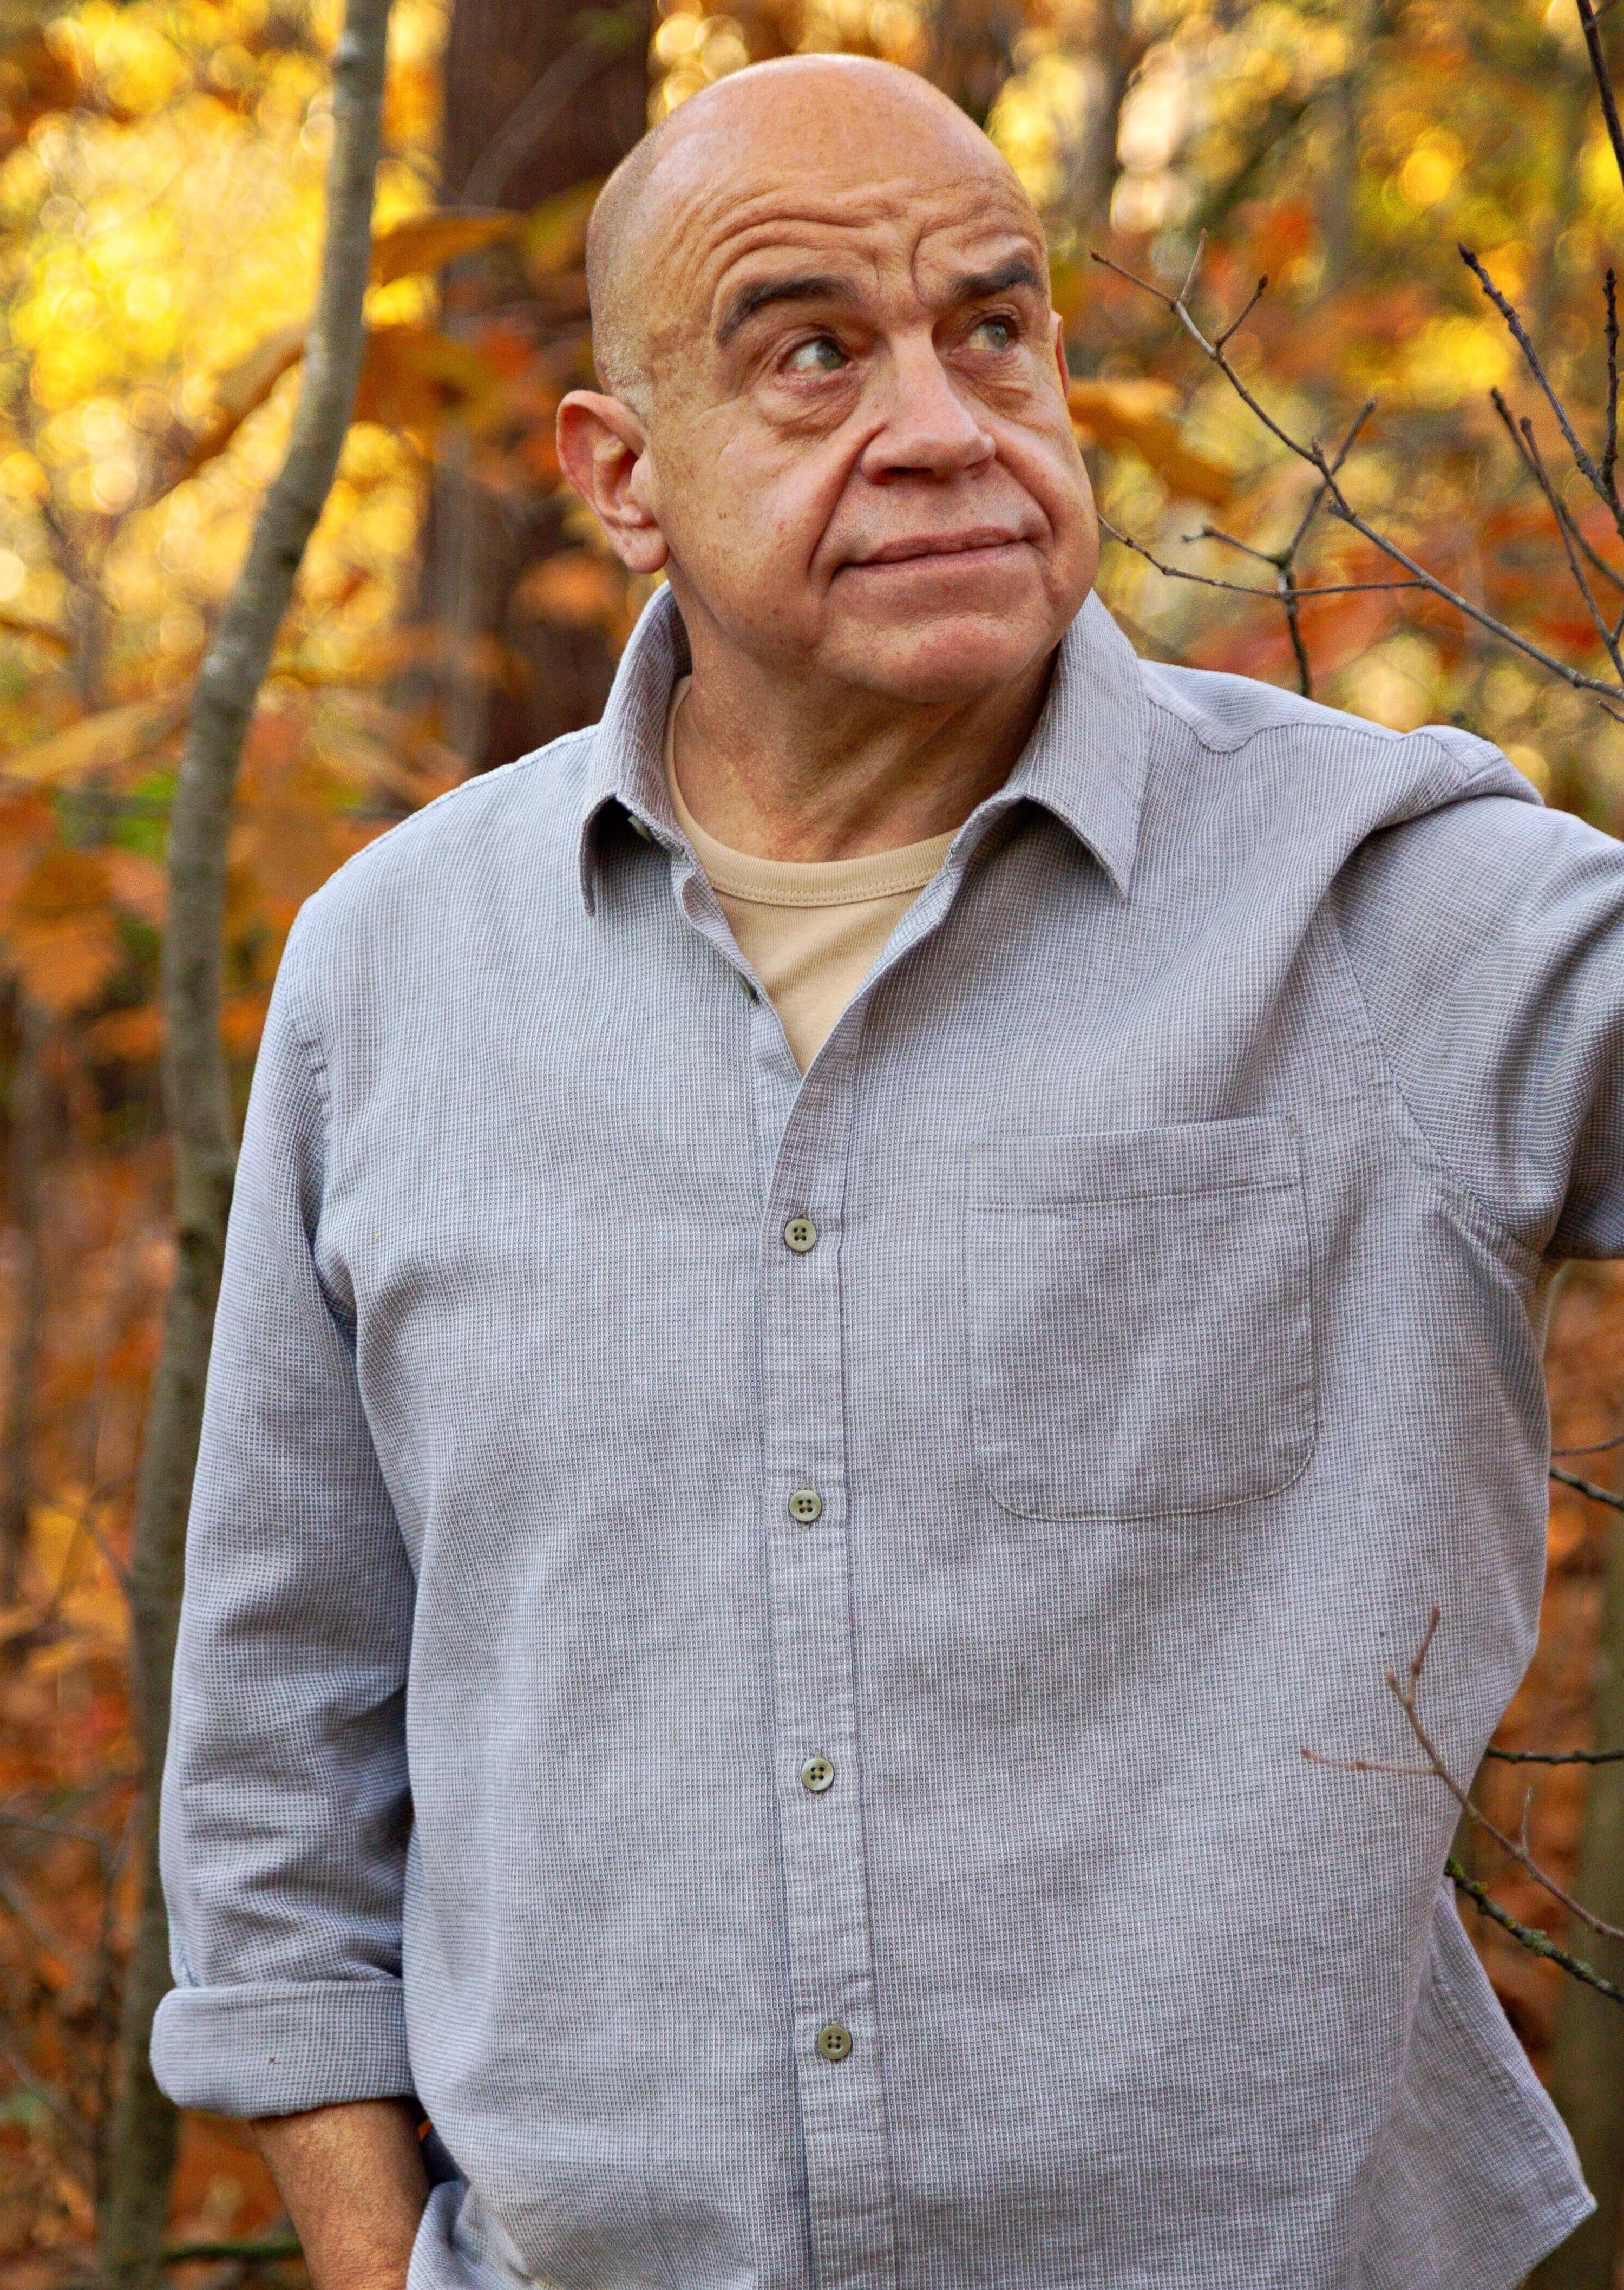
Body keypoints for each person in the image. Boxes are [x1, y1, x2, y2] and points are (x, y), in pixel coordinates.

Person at [150, 51, 1618, 2290]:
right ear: (622, 474)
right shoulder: (397, 972)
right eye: (813, 352)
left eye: (994, 328)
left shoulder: (1394, 906)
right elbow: (280, 1746)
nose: (944, 423)